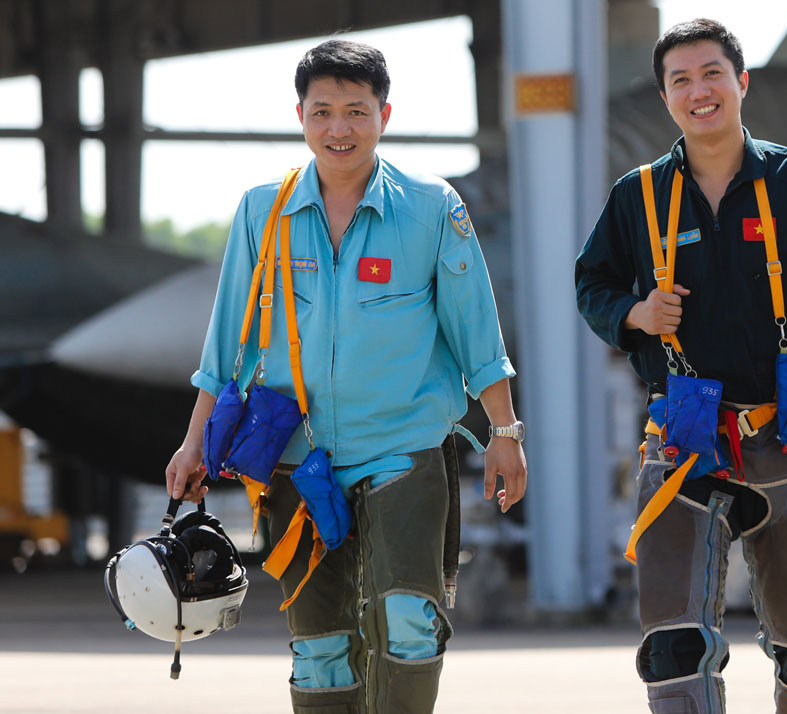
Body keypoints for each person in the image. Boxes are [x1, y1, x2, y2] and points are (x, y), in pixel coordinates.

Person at [165, 39, 527, 714]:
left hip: (402, 446)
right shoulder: (259, 212)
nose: (340, 128)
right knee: (320, 647)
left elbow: (477, 332)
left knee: (410, 624)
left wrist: (504, 430)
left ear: (385, 115)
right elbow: (226, 348)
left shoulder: (432, 208)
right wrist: (193, 442)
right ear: (299, 115)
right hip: (298, 461)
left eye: (356, 111)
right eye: (323, 111)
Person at [575, 18, 787, 714]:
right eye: (681, 80)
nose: (698, 91)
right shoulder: (636, 196)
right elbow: (594, 284)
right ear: (665, 95)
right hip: (681, 445)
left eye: (711, 74)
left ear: (741, 82)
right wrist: (636, 314)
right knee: (673, 646)